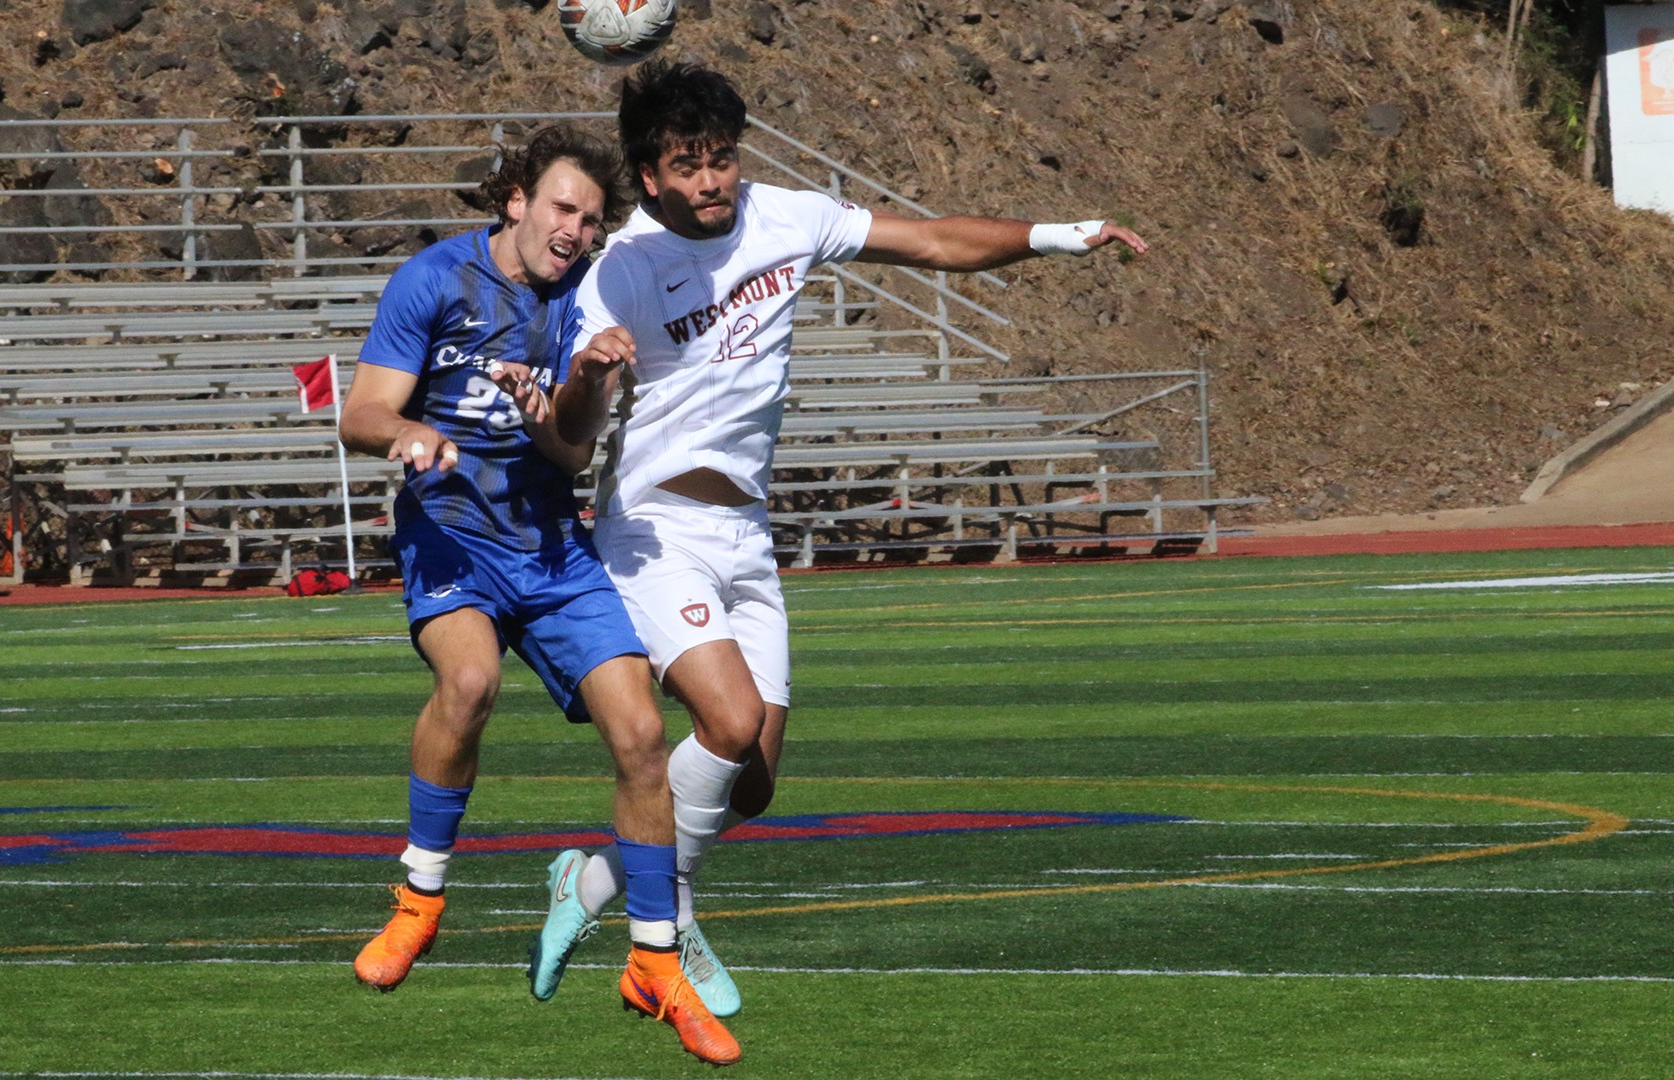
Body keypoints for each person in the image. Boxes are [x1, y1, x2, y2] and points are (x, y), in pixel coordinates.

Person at [528, 61, 1149, 1017]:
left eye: (722, 159)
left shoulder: (791, 217)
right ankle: (669, 918)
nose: (710, 181)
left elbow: (935, 240)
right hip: (653, 529)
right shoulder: (624, 266)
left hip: (745, 530)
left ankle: (594, 883)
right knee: (726, 724)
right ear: (648, 178)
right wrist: (591, 374)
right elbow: (572, 432)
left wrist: (1060, 236)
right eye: (686, 166)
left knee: (755, 783)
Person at [337, 123, 740, 1067]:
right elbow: (360, 411)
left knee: (642, 736)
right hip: (453, 537)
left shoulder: (585, 302)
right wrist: (410, 435)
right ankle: (419, 898)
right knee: (470, 684)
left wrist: (580, 386)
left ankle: (653, 961)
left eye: (593, 220)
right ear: (516, 200)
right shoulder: (434, 279)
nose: (577, 230)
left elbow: (568, 452)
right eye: (564, 207)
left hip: (555, 549)